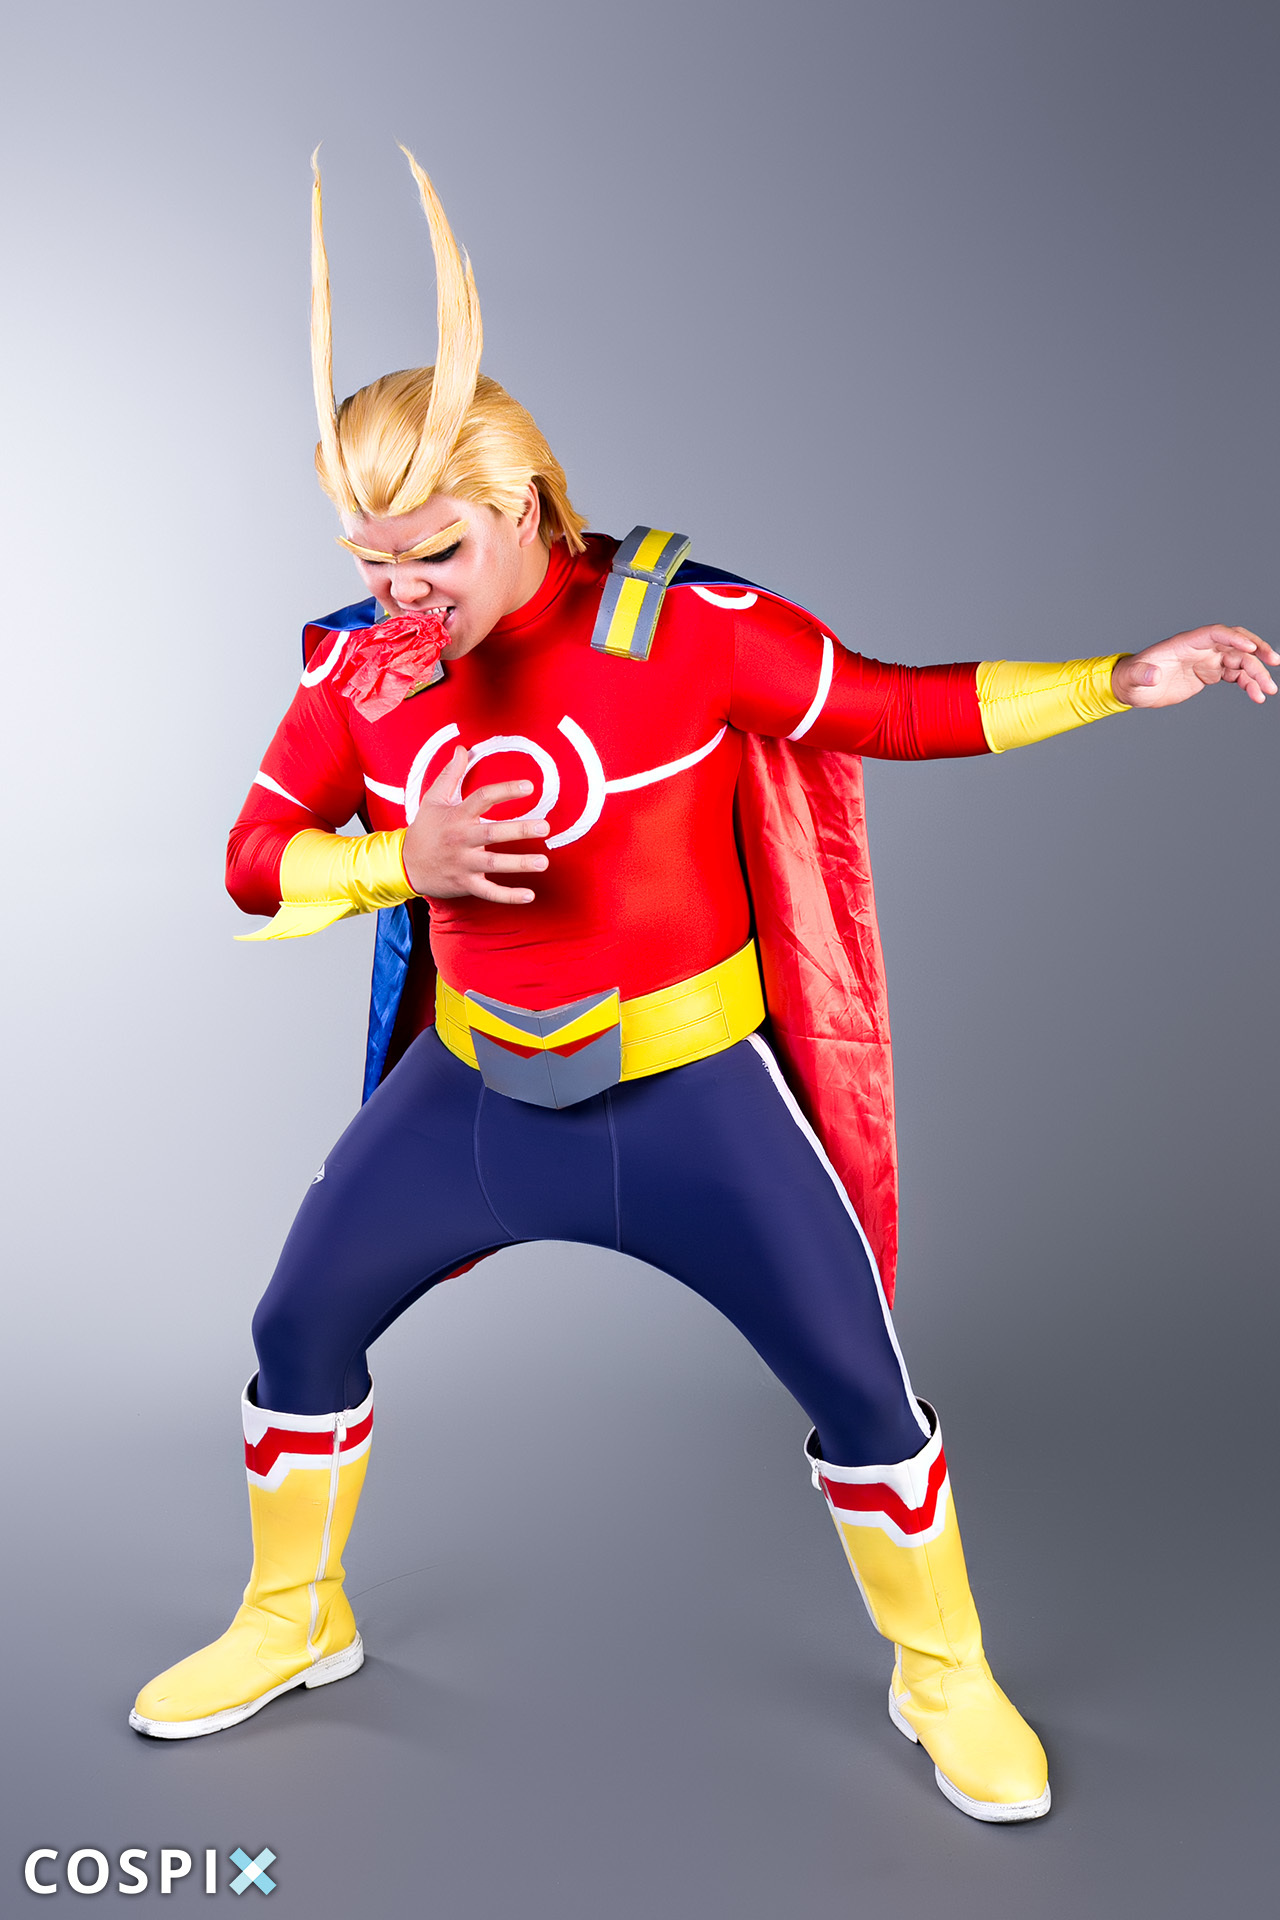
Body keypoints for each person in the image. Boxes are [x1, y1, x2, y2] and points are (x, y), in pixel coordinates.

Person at [129, 150, 1277, 1823]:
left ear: (525, 506)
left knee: (861, 1384)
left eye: (435, 552)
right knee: (297, 1326)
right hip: (471, 1093)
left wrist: (1118, 679)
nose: (401, 596)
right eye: (372, 561)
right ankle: (297, 1615)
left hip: (694, 1103)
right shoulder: (359, 667)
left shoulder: (684, 626)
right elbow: (249, 858)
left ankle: (944, 1671)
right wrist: (396, 864)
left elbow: (892, 707)